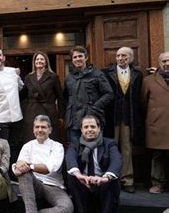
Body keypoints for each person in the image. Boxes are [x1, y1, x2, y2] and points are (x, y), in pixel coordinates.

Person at [6, 115, 73, 213]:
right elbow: (17, 170)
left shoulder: (57, 146)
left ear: (50, 130)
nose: (40, 130)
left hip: (53, 186)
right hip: (33, 184)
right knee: (23, 173)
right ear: (33, 129)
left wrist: (29, 166)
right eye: (37, 127)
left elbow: (49, 168)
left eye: (43, 127)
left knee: (67, 208)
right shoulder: (28, 145)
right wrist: (20, 167)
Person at [66, 115, 122, 213]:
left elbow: (117, 161)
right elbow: (70, 158)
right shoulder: (75, 142)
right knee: (72, 176)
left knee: (113, 178)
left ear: (99, 128)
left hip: (102, 184)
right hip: (83, 183)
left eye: (93, 126)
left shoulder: (109, 143)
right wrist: (79, 175)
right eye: (86, 127)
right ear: (81, 129)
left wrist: (105, 177)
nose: (89, 129)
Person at [102, 47, 143, 193]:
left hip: (128, 117)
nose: (120, 58)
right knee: (110, 148)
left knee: (126, 149)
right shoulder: (106, 73)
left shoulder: (138, 74)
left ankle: (127, 180)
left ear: (131, 57)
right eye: (118, 55)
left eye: (124, 56)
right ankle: (110, 178)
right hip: (111, 117)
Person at [63, 45, 113, 144]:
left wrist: (95, 107)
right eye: (75, 57)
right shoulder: (69, 78)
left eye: (80, 56)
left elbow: (109, 93)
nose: (77, 59)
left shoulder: (97, 74)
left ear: (86, 57)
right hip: (73, 122)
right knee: (74, 149)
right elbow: (65, 97)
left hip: (92, 119)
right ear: (72, 60)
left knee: (93, 150)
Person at [141, 51, 169, 194]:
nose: (167, 64)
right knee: (158, 156)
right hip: (157, 124)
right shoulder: (149, 80)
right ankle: (157, 183)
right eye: (164, 61)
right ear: (159, 63)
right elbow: (143, 103)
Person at [22, 51, 63, 142]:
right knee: (31, 138)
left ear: (46, 62)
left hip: (49, 111)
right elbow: (22, 95)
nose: (39, 61)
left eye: (41, 59)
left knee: (50, 138)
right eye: (37, 59)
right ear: (34, 62)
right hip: (32, 112)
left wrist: (61, 116)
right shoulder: (29, 77)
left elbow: (60, 97)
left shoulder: (53, 77)